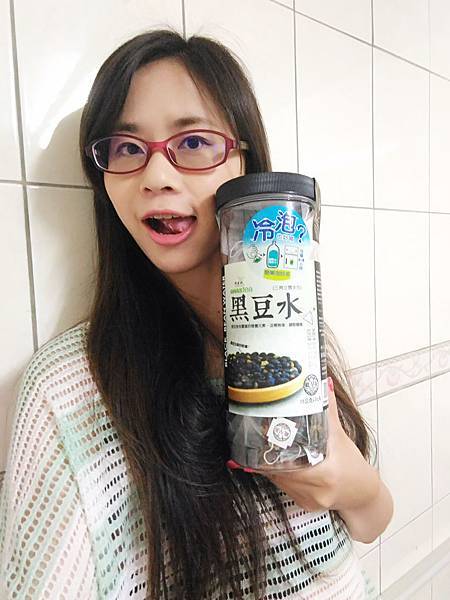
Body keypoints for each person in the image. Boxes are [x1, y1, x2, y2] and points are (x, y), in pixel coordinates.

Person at [0, 29, 392, 599]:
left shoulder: (294, 332)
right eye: (126, 149)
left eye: (193, 142)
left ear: (245, 165)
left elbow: (368, 526)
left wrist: (356, 488)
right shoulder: (65, 389)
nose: (157, 176)